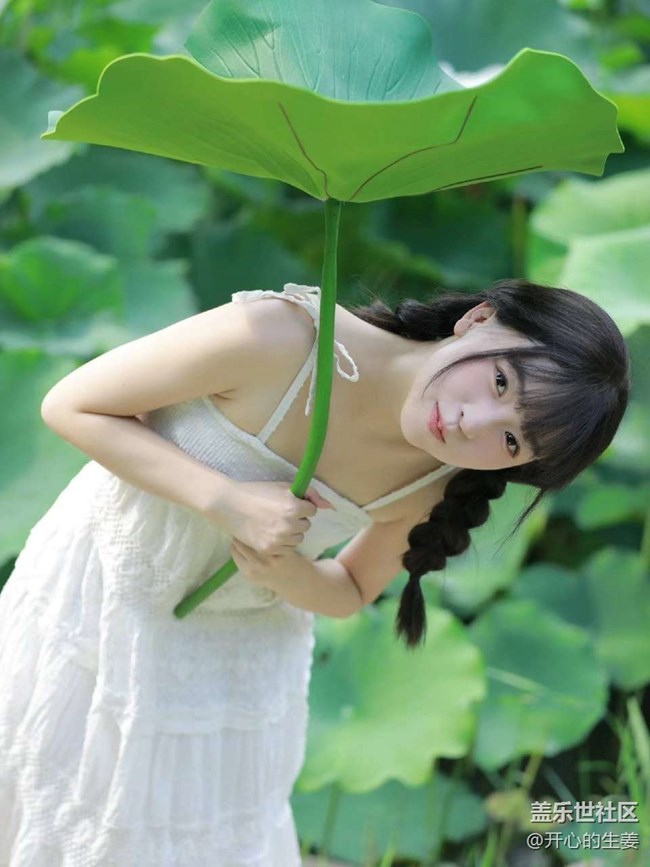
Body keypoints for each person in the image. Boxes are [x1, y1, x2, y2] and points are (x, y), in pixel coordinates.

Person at [0, 278, 630, 866]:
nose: (475, 423)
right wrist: (227, 502)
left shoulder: (435, 482)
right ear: (479, 318)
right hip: (102, 600)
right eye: (499, 382)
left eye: (512, 442)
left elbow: (351, 589)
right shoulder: (280, 336)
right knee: (51, 800)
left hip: (232, 663)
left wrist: (284, 570)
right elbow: (73, 405)